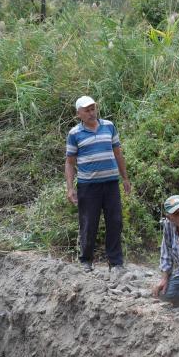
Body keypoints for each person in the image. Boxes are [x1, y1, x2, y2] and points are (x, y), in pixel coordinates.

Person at [65, 95, 132, 276]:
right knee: (88, 223)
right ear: (78, 114)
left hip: (111, 184)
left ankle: (116, 262)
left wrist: (125, 178)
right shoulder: (74, 134)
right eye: (87, 110)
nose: (91, 113)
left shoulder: (109, 126)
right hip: (88, 187)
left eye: (93, 108)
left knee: (115, 222)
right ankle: (86, 261)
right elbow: (70, 163)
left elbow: (118, 154)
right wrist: (70, 188)